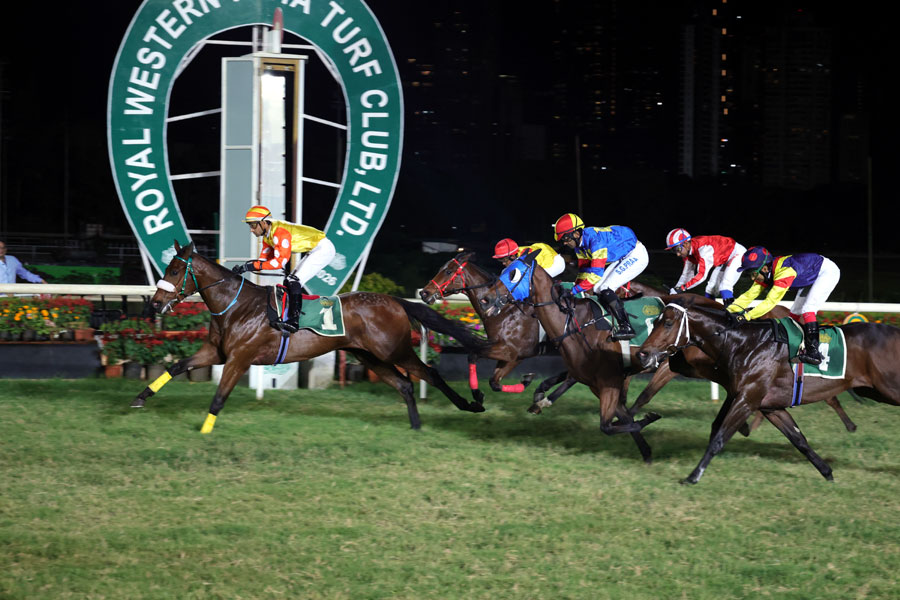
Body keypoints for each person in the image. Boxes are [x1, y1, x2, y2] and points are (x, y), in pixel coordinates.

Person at [726, 246, 841, 365]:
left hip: (826, 272)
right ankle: (795, 344)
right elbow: (749, 295)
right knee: (794, 312)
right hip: (811, 272)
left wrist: (746, 316)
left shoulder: (784, 273)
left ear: (764, 268)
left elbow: (770, 302)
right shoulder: (767, 271)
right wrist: (730, 310)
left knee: (808, 309)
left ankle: (814, 352)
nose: (752, 278)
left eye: (753, 274)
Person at [232, 205, 336, 333]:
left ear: (264, 223)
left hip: (324, 249)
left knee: (294, 281)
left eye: (253, 225)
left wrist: (252, 266)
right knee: (288, 281)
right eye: (250, 226)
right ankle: (289, 315)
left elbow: (278, 263)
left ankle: (294, 321)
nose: (251, 230)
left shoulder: (280, 233)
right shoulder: (267, 236)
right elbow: (262, 261)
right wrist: (244, 268)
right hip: (314, 249)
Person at [552, 213, 648, 341]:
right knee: (598, 288)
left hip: (636, 255)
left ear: (576, 234)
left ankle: (626, 327)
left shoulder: (596, 241)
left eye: (566, 239)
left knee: (606, 287)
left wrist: (573, 291)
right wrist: (574, 288)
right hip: (622, 256)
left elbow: (596, 274)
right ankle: (611, 318)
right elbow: (584, 270)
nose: (564, 243)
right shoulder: (579, 246)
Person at [664, 228, 746, 306]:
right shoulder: (688, 252)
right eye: (673, 250)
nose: (677, 254)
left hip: (737, 254)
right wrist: (675, 289)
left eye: (678, 249)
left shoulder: (704, 250)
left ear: (686, 244)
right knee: (710, 289)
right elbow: (686, 275)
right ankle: (712, 312)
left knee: (725, 286)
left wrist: (682, 288)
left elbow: (701, 276)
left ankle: (733, 313)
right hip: (725, 259)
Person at [492, 238, 565, 278]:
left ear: (512, 256)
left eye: (504, 260)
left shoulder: (522, 259)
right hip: (543, 252)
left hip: (555, 263)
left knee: (528, 280)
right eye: (500, 260)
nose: (503, 263)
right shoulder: (515, 253)